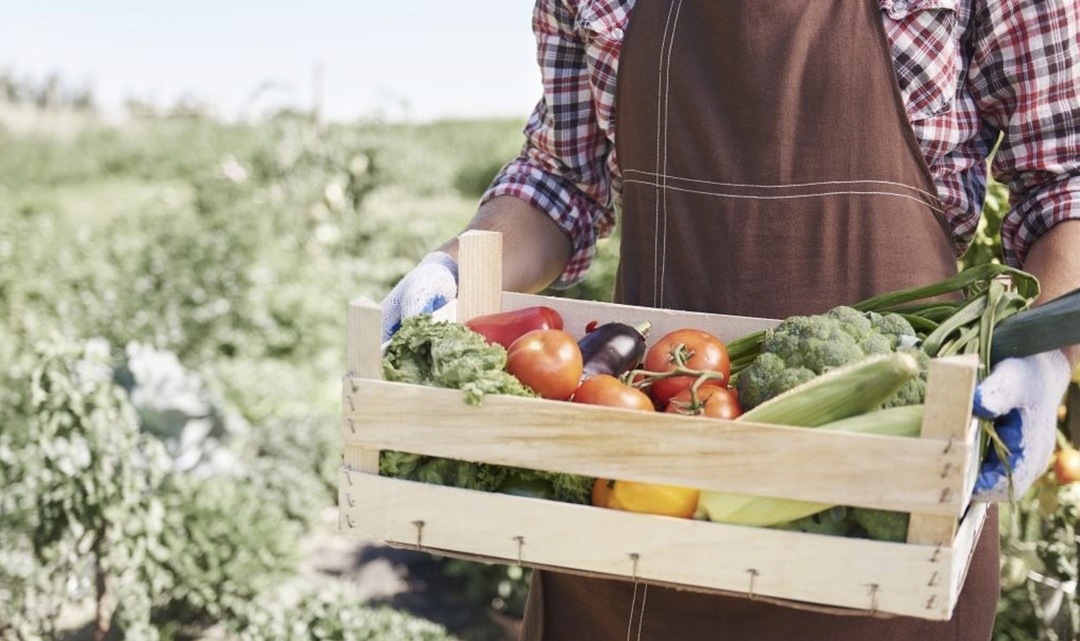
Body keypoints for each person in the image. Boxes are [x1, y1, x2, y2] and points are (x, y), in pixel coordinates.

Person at [380, 1, 1080, 639]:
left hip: (889, 529)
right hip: (640, 516)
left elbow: (1066, 187)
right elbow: (561, 179)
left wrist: (1046, 353)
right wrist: (453, 269)